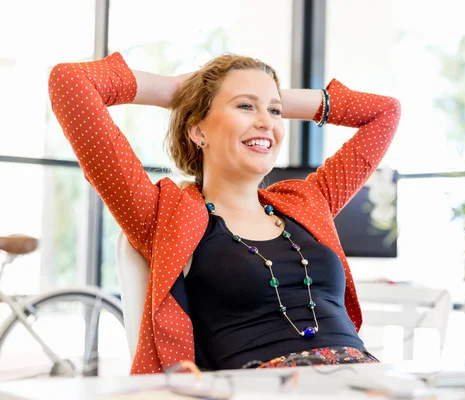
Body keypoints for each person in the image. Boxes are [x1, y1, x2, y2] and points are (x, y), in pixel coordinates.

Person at [48, 50, 401, 373]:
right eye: (245, 107)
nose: (267, 123)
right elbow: (70, 82)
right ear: (198, 130)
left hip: (362, 380)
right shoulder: (164, 214)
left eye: (276, 112)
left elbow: (385, 113)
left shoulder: (307, 201)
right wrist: (179, 90)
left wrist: (265, 93)